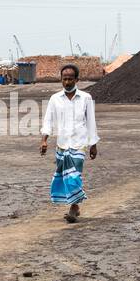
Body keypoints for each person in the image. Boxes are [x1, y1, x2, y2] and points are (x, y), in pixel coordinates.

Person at [39, 63, 99, 223]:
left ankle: (73, 208)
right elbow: (48, 120)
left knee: (74, 177)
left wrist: (93, 144)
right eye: (64, 79)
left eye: (70, 79)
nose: (67, 82)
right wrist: (44, 140)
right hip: (62, 145)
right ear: (61, 80)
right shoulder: (55, 99)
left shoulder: (86, 98)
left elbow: (91, 122)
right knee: (64, 177)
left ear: (76, 79)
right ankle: (76, 206)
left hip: (79, 144)